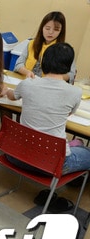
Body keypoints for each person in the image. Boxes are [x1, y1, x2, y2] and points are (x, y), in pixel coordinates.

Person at [6, 43, 90, 177]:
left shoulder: (28, 83)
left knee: (75, 146)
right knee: (86, 152)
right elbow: (68, 113)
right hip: (51, 165)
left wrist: (5, 90)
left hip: (16, 155)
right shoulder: (75, 92)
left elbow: (12, 96)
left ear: (43, 62)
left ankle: (75, 147)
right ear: (69, 67)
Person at [13, 11, 74, 83]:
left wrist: (53, 78)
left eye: (56, 30)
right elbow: (18, 64)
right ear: (42, 27)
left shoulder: (63, 50)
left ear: (61, 31)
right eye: (47, 28)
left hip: (49, 85)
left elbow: (71, 74)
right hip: (27, 81)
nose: (50, 32)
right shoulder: (31, 44)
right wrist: (27, 72)